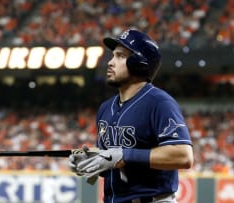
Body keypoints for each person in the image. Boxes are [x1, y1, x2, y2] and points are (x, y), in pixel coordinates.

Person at [69, 29, 194, 203]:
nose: (110, 62)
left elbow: (183, 156)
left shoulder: (159, 102)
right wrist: (92, 161)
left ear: (139, 63)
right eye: (113, 56)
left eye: (120, 56)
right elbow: (115, 162)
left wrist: (124, 156)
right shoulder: (105, 108)